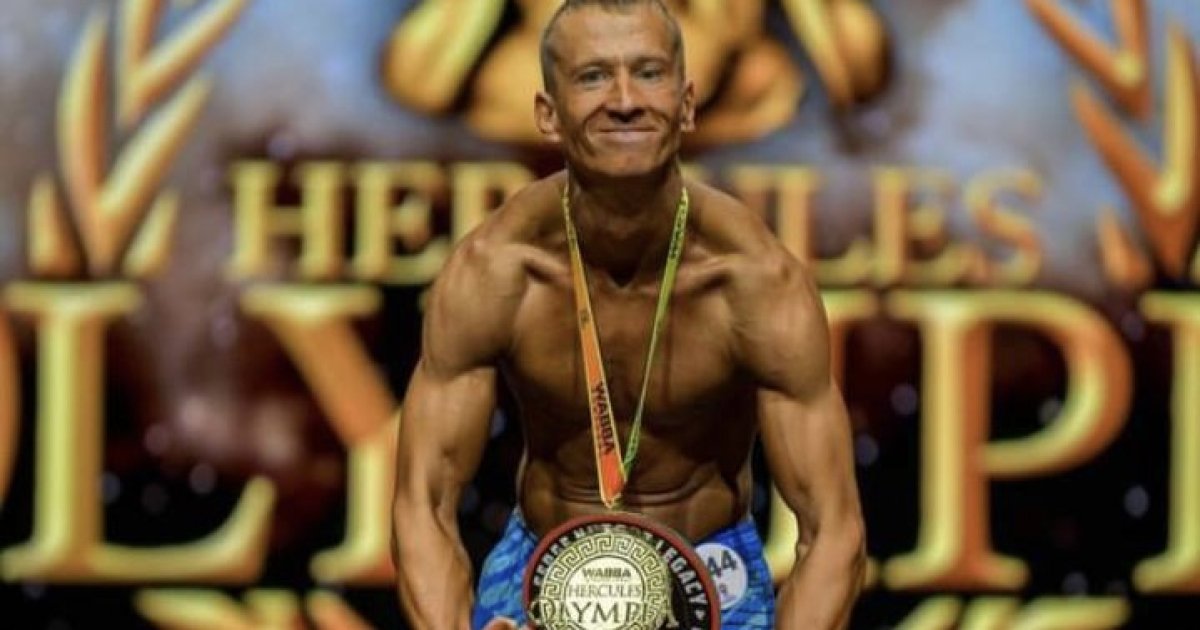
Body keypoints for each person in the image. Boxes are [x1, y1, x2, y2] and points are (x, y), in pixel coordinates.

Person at [392, 1, 866, 628]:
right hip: (538, 567)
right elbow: (423, 503)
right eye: (593, 77)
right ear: (547, 113)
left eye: (648, 74)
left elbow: (833, 532)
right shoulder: (498, 269)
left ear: (688, 104)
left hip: (711, 575)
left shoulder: (753, 280)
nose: (623, 101)